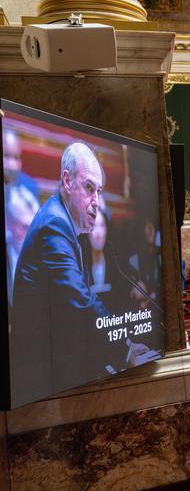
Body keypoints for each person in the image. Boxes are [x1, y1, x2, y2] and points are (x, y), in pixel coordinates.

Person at [10, 141, 116, 404]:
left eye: (99, 192)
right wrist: (121, 339)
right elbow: (80, 303)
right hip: (41, 382)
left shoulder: (63, 221)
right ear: (67, 181)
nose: (96, 203)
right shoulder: (55, 226)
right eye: (89, 188)